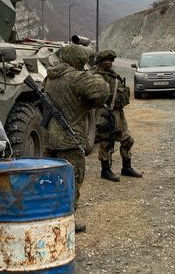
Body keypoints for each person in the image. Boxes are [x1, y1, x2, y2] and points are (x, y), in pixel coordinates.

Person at [43, 44, 109, 233]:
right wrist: (96, 76)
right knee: (72, 182)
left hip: (50, 139)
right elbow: (101, 92)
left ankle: (49, 218)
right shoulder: (76, 77)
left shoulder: (50, 77)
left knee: (51, 182)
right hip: (70, 140)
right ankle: (66, 223)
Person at [93, 49, 143, 182]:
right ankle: (105, 170)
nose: (109, 63)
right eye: (106, 61)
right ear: (100, 62)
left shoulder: (113, 75)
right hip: (104, 113)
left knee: (127, 140)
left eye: (111, 61)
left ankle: (126, 167)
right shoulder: (97, 77)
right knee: (106, 142)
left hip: (118, 113)